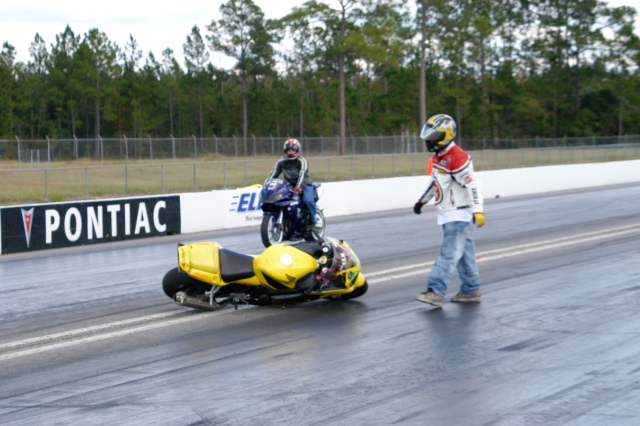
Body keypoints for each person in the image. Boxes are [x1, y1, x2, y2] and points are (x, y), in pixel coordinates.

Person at [413, 114, 485, 308]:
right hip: (448, 214)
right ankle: (471, 290)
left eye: (433, 136)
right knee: (464, 255)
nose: (429, 140)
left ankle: (435, 291)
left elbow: (474, 185)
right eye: (428, 135)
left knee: (449, 254)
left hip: (457, 214)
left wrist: (478, 210)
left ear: (446, 135)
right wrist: (422, 201)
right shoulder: (439, 156)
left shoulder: (458, 157)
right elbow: (435, 182)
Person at [264, 138, 318, 224]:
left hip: (304, 185)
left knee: (307, 200)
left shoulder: (302, 160)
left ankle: (314, 220)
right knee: (282, 199)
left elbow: (303, 174)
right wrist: (266, 186)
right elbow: (273, 174)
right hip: (289, 185)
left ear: (297, 150)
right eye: (289, 150)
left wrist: (298, 187)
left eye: (293, 150)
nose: (290, 152)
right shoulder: (281, 161)